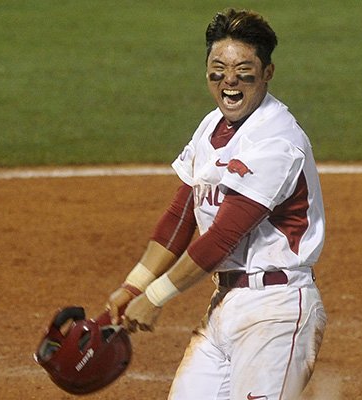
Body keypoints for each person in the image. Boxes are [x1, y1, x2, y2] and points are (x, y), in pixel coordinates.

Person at [107, 8, 327, 400]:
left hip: (274, 313)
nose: (229, 80)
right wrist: (134, 285)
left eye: (243, 69)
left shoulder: (275, 140)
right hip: (224, 306)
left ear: (267, 73)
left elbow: (223, 236)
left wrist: (155, 298)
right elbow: (182, 213)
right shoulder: (212, 126)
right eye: (218, 67)